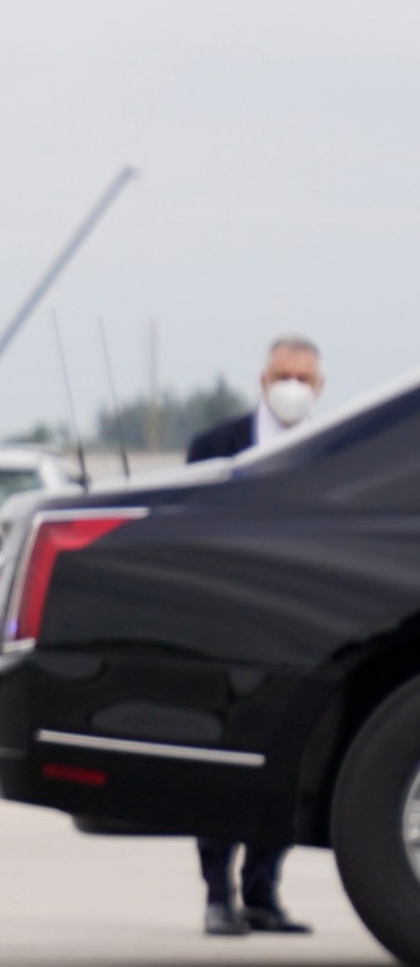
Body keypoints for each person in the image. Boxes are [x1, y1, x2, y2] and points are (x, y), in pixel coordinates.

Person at [185, 333, 324, 937]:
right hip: (227, 630)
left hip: (303, 634)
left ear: (319, 388)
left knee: (288, 767)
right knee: (223, 766)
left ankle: (264, 893)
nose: (292, 388)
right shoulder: (217, 446)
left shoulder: (329, 451)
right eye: (281, 376)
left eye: (304, 379)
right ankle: (218, 895)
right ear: (262, 380)